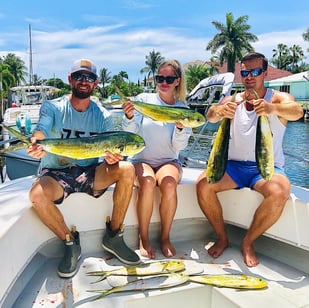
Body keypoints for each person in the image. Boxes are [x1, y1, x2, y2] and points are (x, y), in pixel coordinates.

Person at [27, 59, 140, 278]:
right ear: (70, 79)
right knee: (36, 195)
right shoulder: (52, 107)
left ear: (95, 83)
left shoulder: (103, 115)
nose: (83, 81)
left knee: (126, 168)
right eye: (79, 76)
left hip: (89, 172)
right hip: (56, 173)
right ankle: (70, 242)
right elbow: (41, 131)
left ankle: (114, 236)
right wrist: (36, 142)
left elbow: (111, 153)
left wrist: (112, 159)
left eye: (89, 78)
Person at [196, 52, 304, 267]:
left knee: (280, 192)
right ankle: (223, 237)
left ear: (265, 73)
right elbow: (209, 115)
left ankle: (248, 242)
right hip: (233, 167)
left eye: (255, 72)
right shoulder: (233, 100)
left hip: (265, 168)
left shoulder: (276, 98)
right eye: (245, 72)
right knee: (202, 185)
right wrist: (219, 112)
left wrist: (272, 108)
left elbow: (297, 111)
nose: (249, 77)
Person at [122, 59, 192, 259]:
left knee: (169, 184)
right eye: (160, 78)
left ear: (177, 81)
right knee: (147, 181)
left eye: (169, 79)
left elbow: (179, 147)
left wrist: (180, 128)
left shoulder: (182, 108)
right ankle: (143, 237)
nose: (164, 82)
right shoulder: (143, 99)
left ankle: (165, 237)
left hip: (168, 161)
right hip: (140, 159)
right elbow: (130, 134)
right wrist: (128, 117)